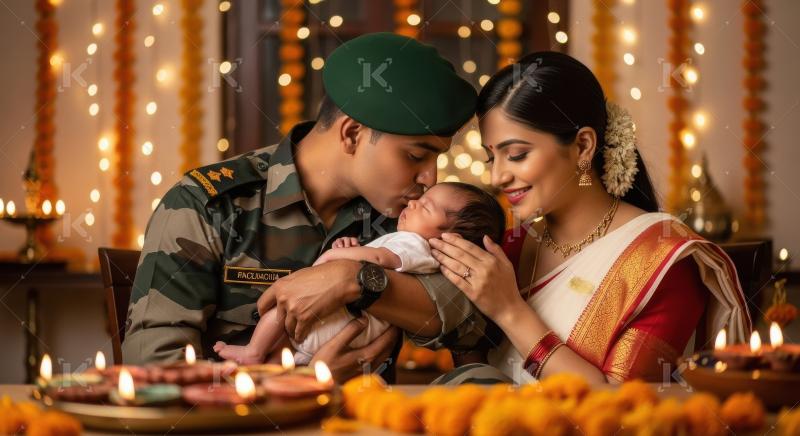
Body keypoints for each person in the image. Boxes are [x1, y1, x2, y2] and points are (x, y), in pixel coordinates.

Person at [122, 33, 490, 382]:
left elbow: (471, 318)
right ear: (351, 135)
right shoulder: (209, 206)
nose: (431, 178)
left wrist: (355, 280)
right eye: (415, 155)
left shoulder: (402, 218)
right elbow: (154, 375)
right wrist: (300, 382)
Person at [429, 51, 751, 384]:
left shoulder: (661, 261)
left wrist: (510, 311)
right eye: (489, 159)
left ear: (583, 146)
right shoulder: (510, 246)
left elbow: (619, 413)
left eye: (517, 155)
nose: (497, 177)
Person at [213, 182, 505, 365]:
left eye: (426, 207)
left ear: (450, 238)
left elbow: (379, 258)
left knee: (279, 310)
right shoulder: (405, 237)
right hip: (337, 334)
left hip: (340, 323)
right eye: (415, 154)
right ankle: (258, 356)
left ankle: (253, 350)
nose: (414, 200)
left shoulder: (415, 244)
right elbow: (375, 254)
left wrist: (338, 258)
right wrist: (350, 245)